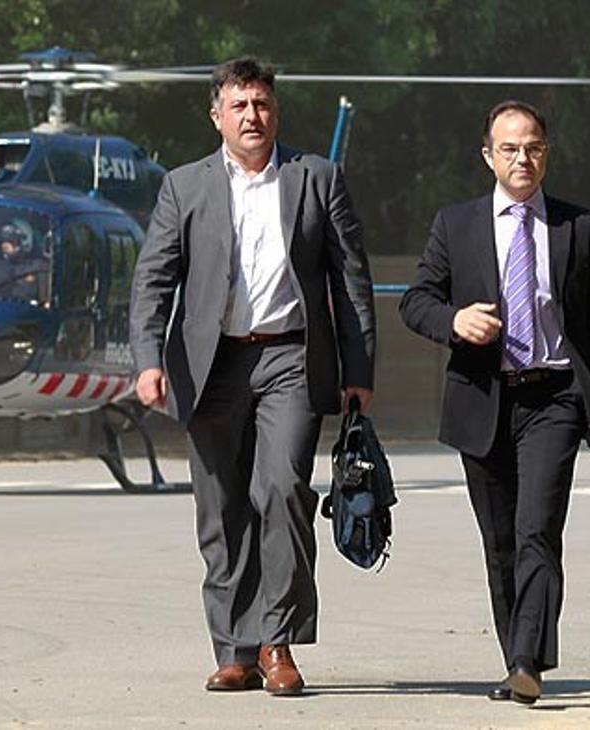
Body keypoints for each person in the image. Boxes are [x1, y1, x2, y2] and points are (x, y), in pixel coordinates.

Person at [129, 56, 376, 697]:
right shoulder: (183, 188)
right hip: (208, 364)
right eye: (239, 106)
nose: (252, 116)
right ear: (217, 117)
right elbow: (153, 278)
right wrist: (149, 359)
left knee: (283, 489)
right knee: (221, 508)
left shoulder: (317, 179)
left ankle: (278, 644)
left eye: (261, 104)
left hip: (290, 358)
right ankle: (233, 647)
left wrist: (359, 369)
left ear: (276, 112)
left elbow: (352, 283)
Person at [399, 100, 590, 705]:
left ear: (546, 153)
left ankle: (528, 662)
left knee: (537, 532)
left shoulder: (579, 226)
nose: (522, 158)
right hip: (483, 398)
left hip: (554, 397)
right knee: (500, 542)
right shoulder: (457, 224)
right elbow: (415, 299)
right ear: (488, 157)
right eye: (509, 148)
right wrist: (455, 320)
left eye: (532, 147)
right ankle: (517, 658)